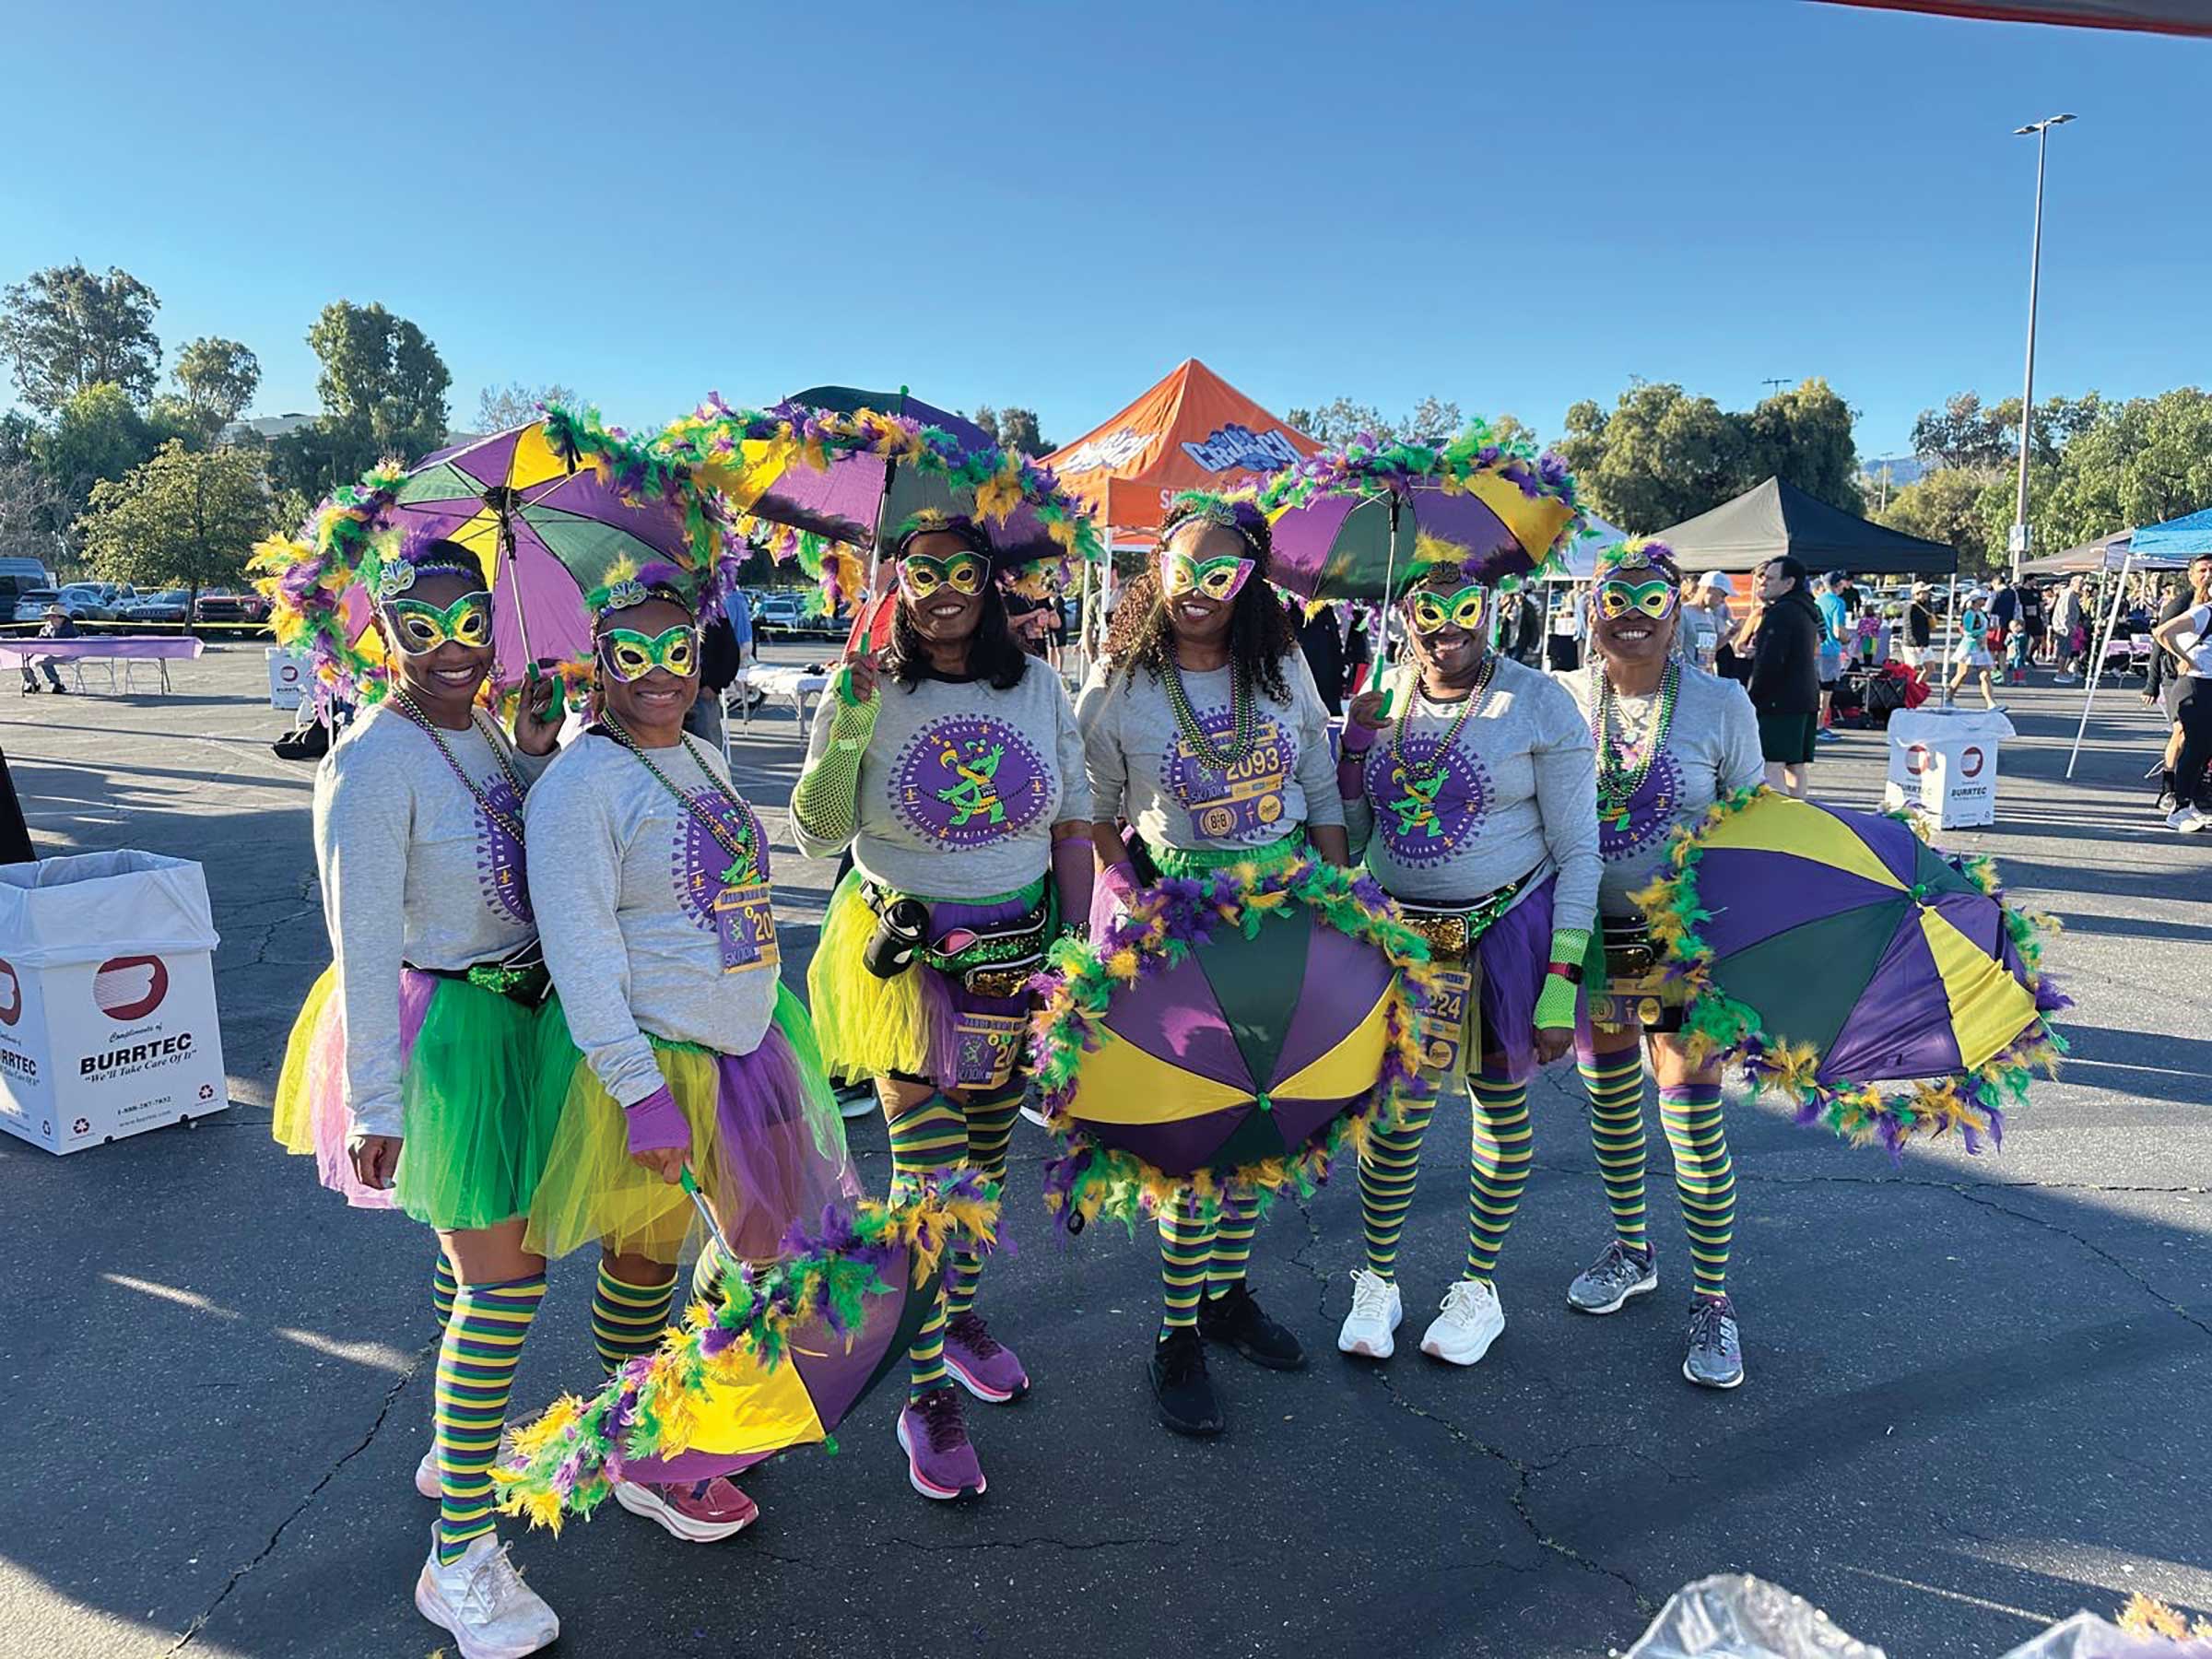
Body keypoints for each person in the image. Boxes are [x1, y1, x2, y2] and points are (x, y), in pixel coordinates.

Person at [267, 538, 566, 1656]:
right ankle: (459, 1559)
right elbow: (357, 942)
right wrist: (375, 1105)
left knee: (475, 1258)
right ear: (381, 633)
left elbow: (504, 845)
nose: (454, 649)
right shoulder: (368, 761)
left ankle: (454, 1449)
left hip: (519, 1017)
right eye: (423, 629)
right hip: (445, 1039)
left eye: (472, 624)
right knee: (507, 1282)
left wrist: (528, 755)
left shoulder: (476, 725)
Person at [523, 563, 855, 1540]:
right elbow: (582, 954)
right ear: (599, 665)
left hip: (750, 1046)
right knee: (644, 1265)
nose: (661, 671)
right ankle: (647, 1453)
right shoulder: (579, 787)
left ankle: (707, 1402)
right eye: (633, 654)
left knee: (760, 1241)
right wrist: (638, 1092)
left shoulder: (701, 753)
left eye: (678, 649)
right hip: (655, 1060)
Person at [790, 511, 1092, 1501]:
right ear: (898, 585)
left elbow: (1072, 818)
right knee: (930, 1184)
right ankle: (923, 1396)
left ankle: (954, 1318)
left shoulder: (1037, 685)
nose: (945, 589)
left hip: (1016, 958)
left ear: (990, 582)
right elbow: (814, 833)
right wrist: (850, 728)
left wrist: (1073, 953)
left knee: (987, 1167)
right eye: (923, 573)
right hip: (903, 962)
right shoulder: (866, 685)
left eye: (964, 570)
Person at [1077, 493, 1351, 1436]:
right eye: (1183, 570)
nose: (1198, 590)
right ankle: (1176, 1335)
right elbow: (1092, 804)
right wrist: (1135, 887)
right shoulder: (1121, 680)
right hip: (1178, 921)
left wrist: (1338, 899)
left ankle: (1227, 1298)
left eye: (1220, 573)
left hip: (1283, 912)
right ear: (1158, 573)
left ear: (1249, 582)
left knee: (1261, 1120)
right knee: (1195, 1137)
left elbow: (1318, 783)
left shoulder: (1280, 667)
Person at [1333, 553, 1599, 1371]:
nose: (1447, 629)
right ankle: (1378, 1281)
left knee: (1498, 1104)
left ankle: (1479, 1286)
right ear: (1403, 615)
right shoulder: (1383, 695)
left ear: (1492, 610)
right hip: (1400, 943)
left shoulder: (1539, 702)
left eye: (1466, 609)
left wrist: (1560, 987)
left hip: (1505, 932)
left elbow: (1579, 852)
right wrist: (1354, 747)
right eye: (1428, 611)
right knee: (1392, 1112)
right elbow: (1355, 836)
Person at [1560, 541, 1761, 1388]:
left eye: (1652, 600)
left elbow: (1751, 821)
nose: (1633, 617)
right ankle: (1633, 1251)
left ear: (1678, 612)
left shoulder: (1720, 703)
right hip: (1597, 940)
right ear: (1591, 612)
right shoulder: (1565, 698)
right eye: (1617, 600)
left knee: (1690, 1117)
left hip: (1679, 946)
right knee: (1611, 1105)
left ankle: (1713, 1301)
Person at [1744, 557, 1823, 798]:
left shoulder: (1780, 612)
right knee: (1795, 763)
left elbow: (1771, 661)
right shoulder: (1807, 609)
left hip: (1779, 699)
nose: (1763, 583)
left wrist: (1754, 697)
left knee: (1772, 762)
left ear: (1789, 583)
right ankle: (1799, 810)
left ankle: (1780, 814)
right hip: (1805, 695)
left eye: (1770, 578)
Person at [2151, 564, 2212, 834]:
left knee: (2204, 748)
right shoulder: (2203, 612)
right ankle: (2179, 808)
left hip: (2208, 684)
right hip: (2194, 685)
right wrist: (2184, 658)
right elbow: (2161, 632)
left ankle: (2190, 804)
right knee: (2194, 746)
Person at [1295, 598, 1349, 714]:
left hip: (1316, 660)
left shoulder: (1323, 608)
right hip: (1317, 659)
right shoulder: (1322, 607)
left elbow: (1335, 639)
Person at [1947, 589, 1999, 710]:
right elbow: (1967, 631)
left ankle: (1991, 703)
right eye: (1983, 599)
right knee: (1962, 674)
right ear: (1976, 600)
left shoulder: (1981, 613)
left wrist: (1990, 628)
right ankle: (1949, 697)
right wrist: (1980, 634)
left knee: (1985, 675)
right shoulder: (1969, 614)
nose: (1985, 601)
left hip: (1981, 647)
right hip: (1969, 647)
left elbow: (1983, 627)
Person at [1813, 573, 1848, 741]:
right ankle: (1819, 726)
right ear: (1838, 584)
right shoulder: (1838, 603)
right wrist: (1847, 639)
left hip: (1814, 649)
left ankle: (1811, 726)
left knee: (1813, 689)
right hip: (1830, 650)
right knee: (1826, 692)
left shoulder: (1817, 601)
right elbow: (1837, 629)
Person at [19, 604, 76, 693]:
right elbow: (41, 639)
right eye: (49, 617)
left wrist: (56, 631)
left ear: (62, 618)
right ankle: (31, 683)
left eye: (54, 616)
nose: (51, 619)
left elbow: (67, 643)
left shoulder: (70, 629)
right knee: (23, 660)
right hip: (50, 653)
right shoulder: (47, 627)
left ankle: (56, 684)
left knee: (45, 659)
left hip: (67, 654)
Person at [2053, 577, 2088, 684]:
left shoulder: (2074, 595)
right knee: (2064, 650)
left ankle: (2063, 671)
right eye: (2080, 584)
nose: (2082, 587)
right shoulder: (2068, 595)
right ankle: (2060, 673)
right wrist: (2068, 627)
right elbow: (2065, 613)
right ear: (2073, 584)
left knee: (2068, 650)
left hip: (2068, 626)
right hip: (2063, 628)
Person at [1900, 584, 1935, 673]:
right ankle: (1910, 682)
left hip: (1925, 642)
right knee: (1914, 670)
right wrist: (1917, 644)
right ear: (1917, 594)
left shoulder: (1926, 606)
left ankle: (1919, 682)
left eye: (1927, 592)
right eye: (1924, 592)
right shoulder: (1910, 607)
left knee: (1930, 668)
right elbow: (1908, 627)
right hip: (1913, 645)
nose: (1927, 594)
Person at [2018, 579, 2048, 672]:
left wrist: (2044, 616)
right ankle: (2021, 658)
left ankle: (2029, 654)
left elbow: (2041, 605)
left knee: (2038, 638)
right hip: (2024, 618)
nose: (2036, 582)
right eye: (2034, 580)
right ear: (2028, 580)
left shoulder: (2036, 592)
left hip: (2035, 617)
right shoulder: (2019, 591)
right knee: (2023, 639)